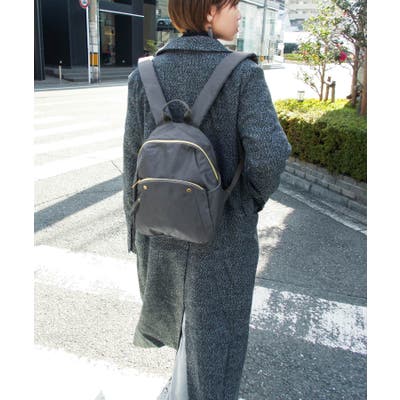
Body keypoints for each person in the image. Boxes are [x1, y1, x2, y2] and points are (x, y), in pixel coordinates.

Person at [122, 0, 292, 399]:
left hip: (160, 231)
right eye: (233, 5)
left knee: (181, 332)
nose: (240, 15)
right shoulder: (243, 74)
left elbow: (132, 164)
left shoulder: (144, 74)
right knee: (216, 350)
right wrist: (245, 204)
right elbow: (270, 155)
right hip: (222, 241)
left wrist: (136, 235)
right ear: (210, 11)